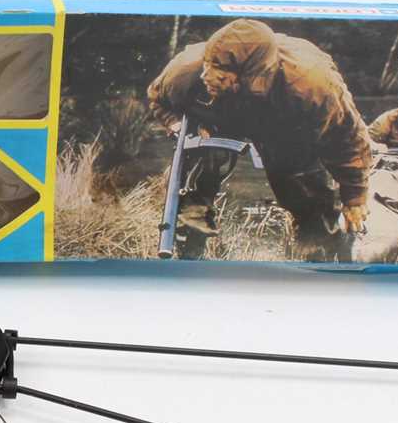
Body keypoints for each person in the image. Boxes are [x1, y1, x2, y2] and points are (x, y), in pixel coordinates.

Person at [147, 19, 375, 262]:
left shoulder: (311, 84)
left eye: (220, 76)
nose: (206, 77)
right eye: (207, 67)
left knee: (305, 187)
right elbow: (157, 98)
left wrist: (354, 196)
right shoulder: (186, 71)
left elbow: (347, 137)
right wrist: (176, 124)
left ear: (249, 76)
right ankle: (189, 251)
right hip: (218, 116)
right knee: (197, 166)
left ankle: (319, 253)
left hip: (283, 118)